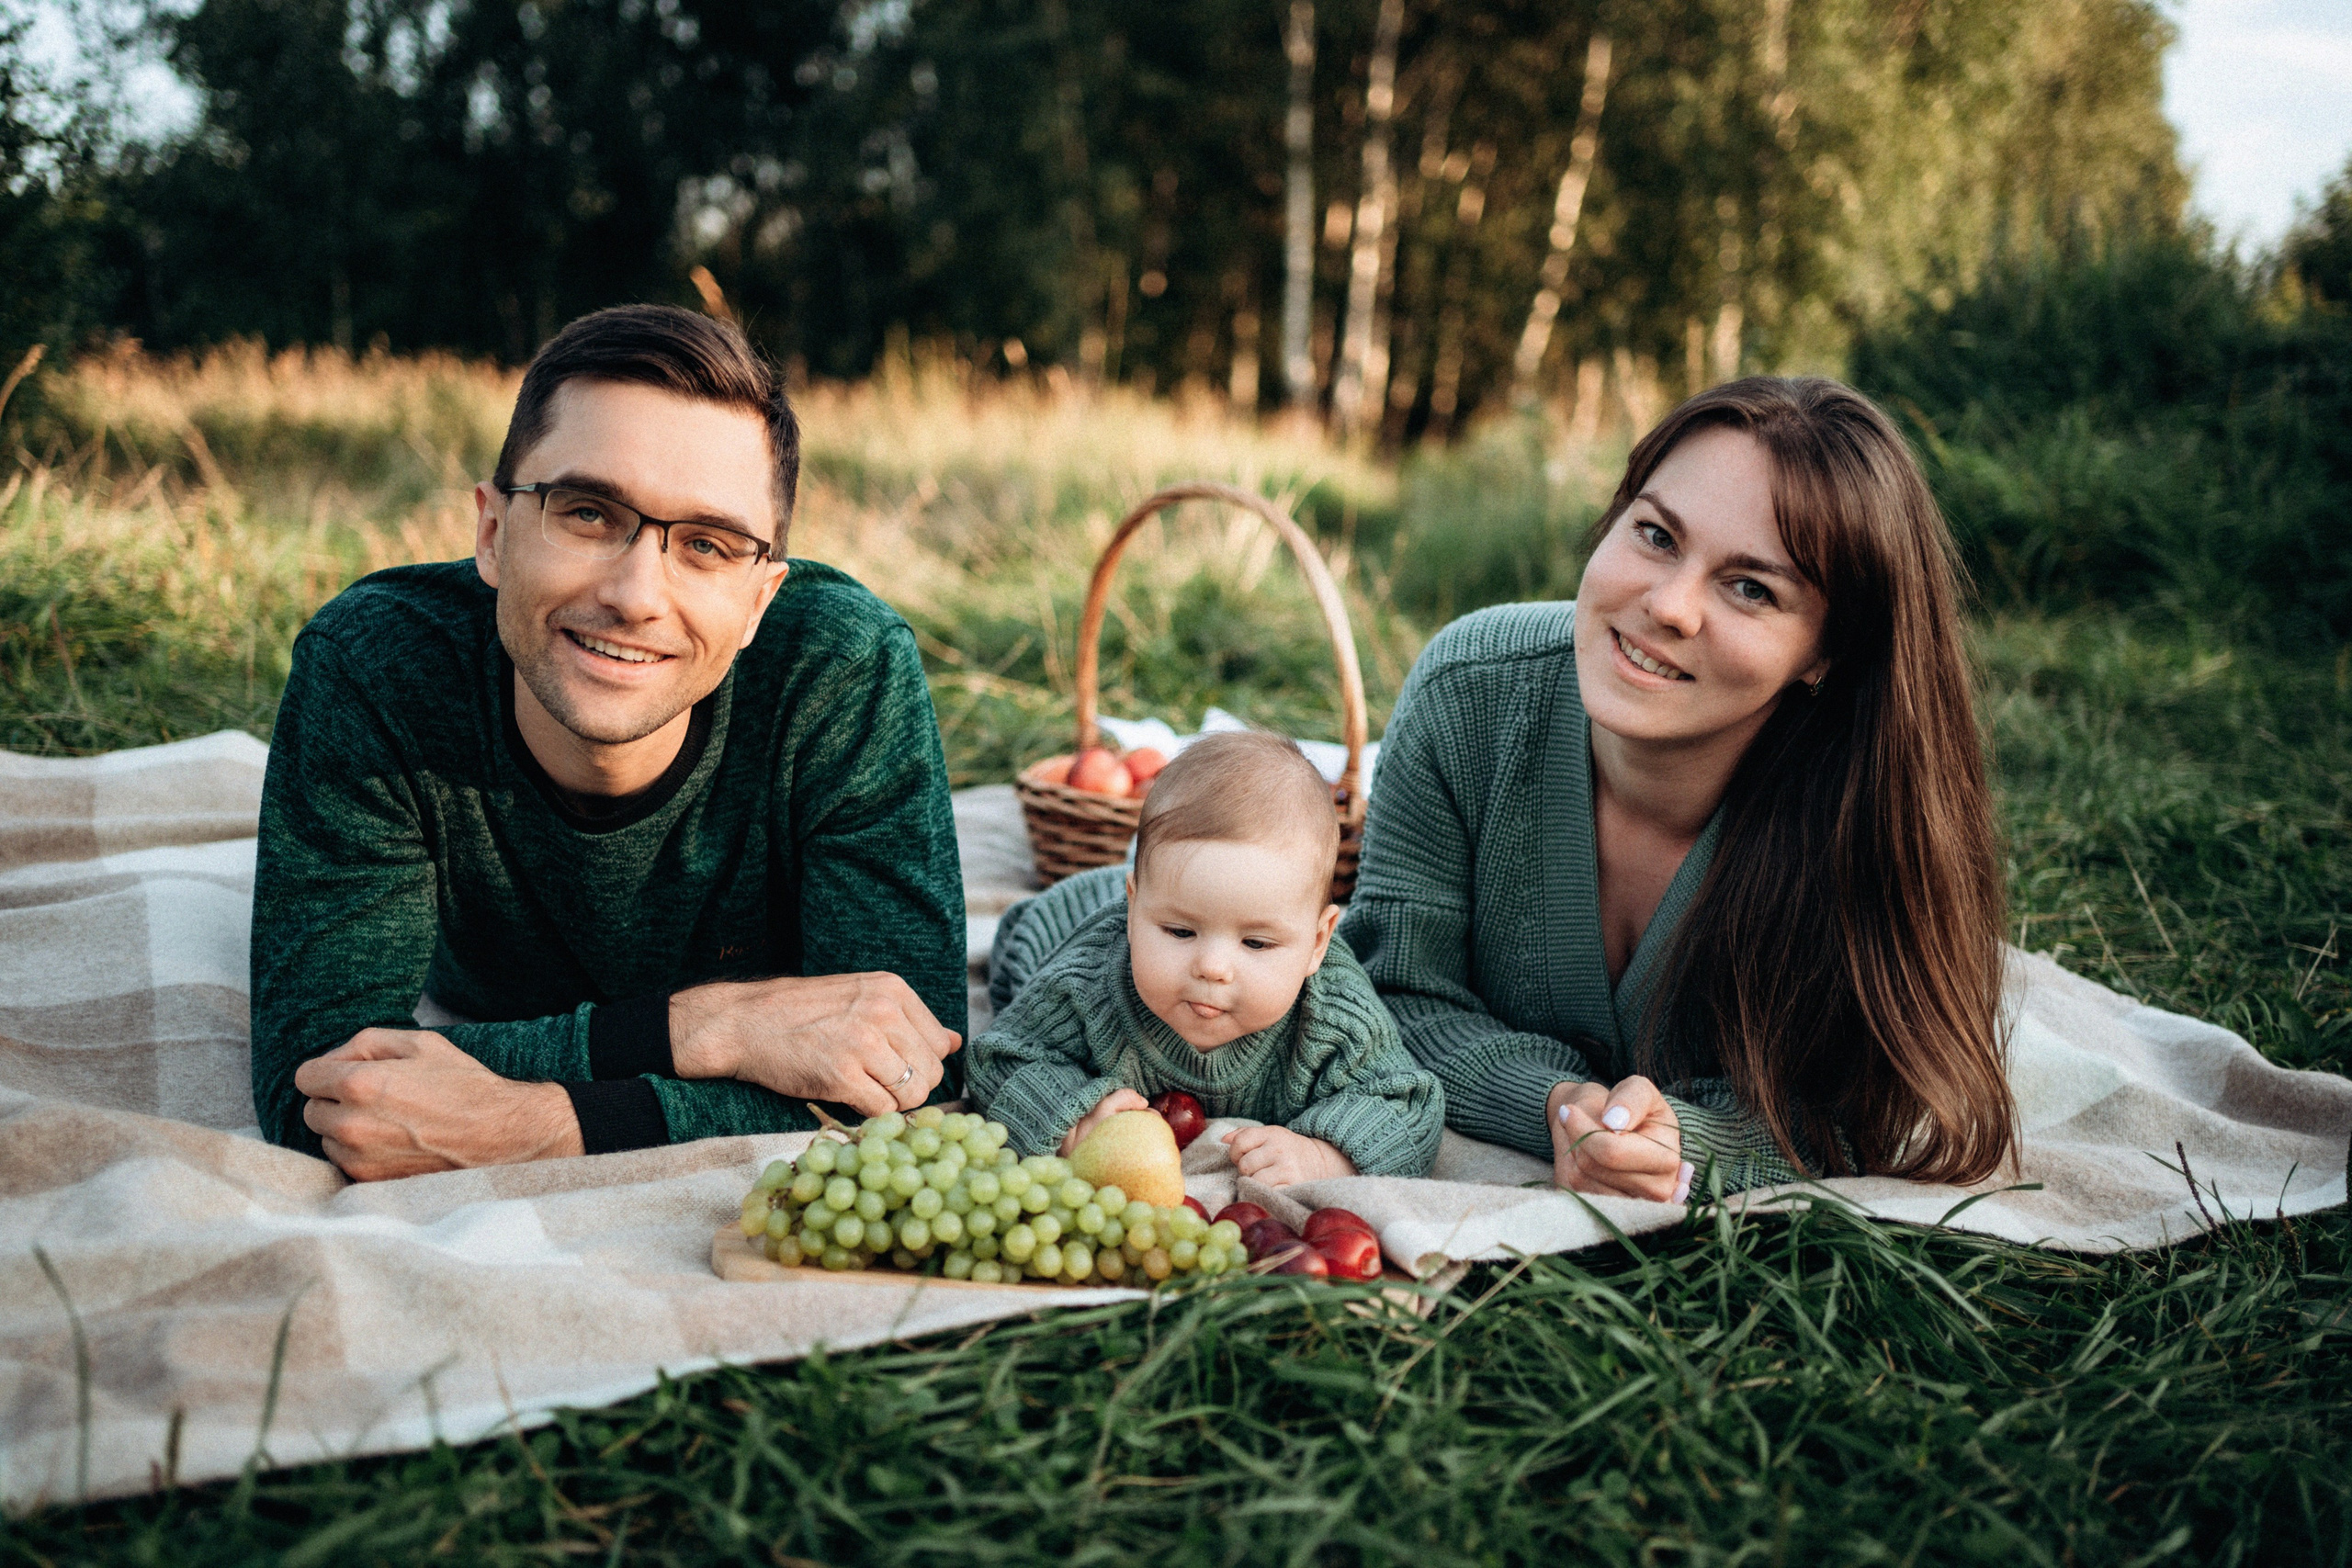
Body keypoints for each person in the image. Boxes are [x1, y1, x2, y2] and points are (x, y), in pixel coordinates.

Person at [250, 305, 967, 1180]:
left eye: (706, 545)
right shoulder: (376, 667)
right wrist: (710, 1029)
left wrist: (546, 1124)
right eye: (587, 513)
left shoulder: (842, 672)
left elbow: (913, 1074)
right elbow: (320, 1088)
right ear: (491, 531)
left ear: (759, 601)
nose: (635, 594)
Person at [1338, 376, 2014, 1203]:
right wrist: (1555, 1104)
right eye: (1656, 535)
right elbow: (1393, 989)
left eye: (1751, 588)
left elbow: (1865, 1099)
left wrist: (1686, 1144)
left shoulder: (1865, 809)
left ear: (1826, 652)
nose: (1669, 606)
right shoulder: (1467, 691)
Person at [967, 731, 1442, 1184]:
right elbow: (1000, 1056)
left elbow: (1409, 1102)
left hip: (1165, 897)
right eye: (1180, 931)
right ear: (1134, 911)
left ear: (1317, 943)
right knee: (1015, 977)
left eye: (1256, 943)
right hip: (1060, 921)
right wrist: (1071, 1116)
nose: (1212, 968)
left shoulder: (1335, 1014)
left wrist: (1325, 1154)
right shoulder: (1085, 984)